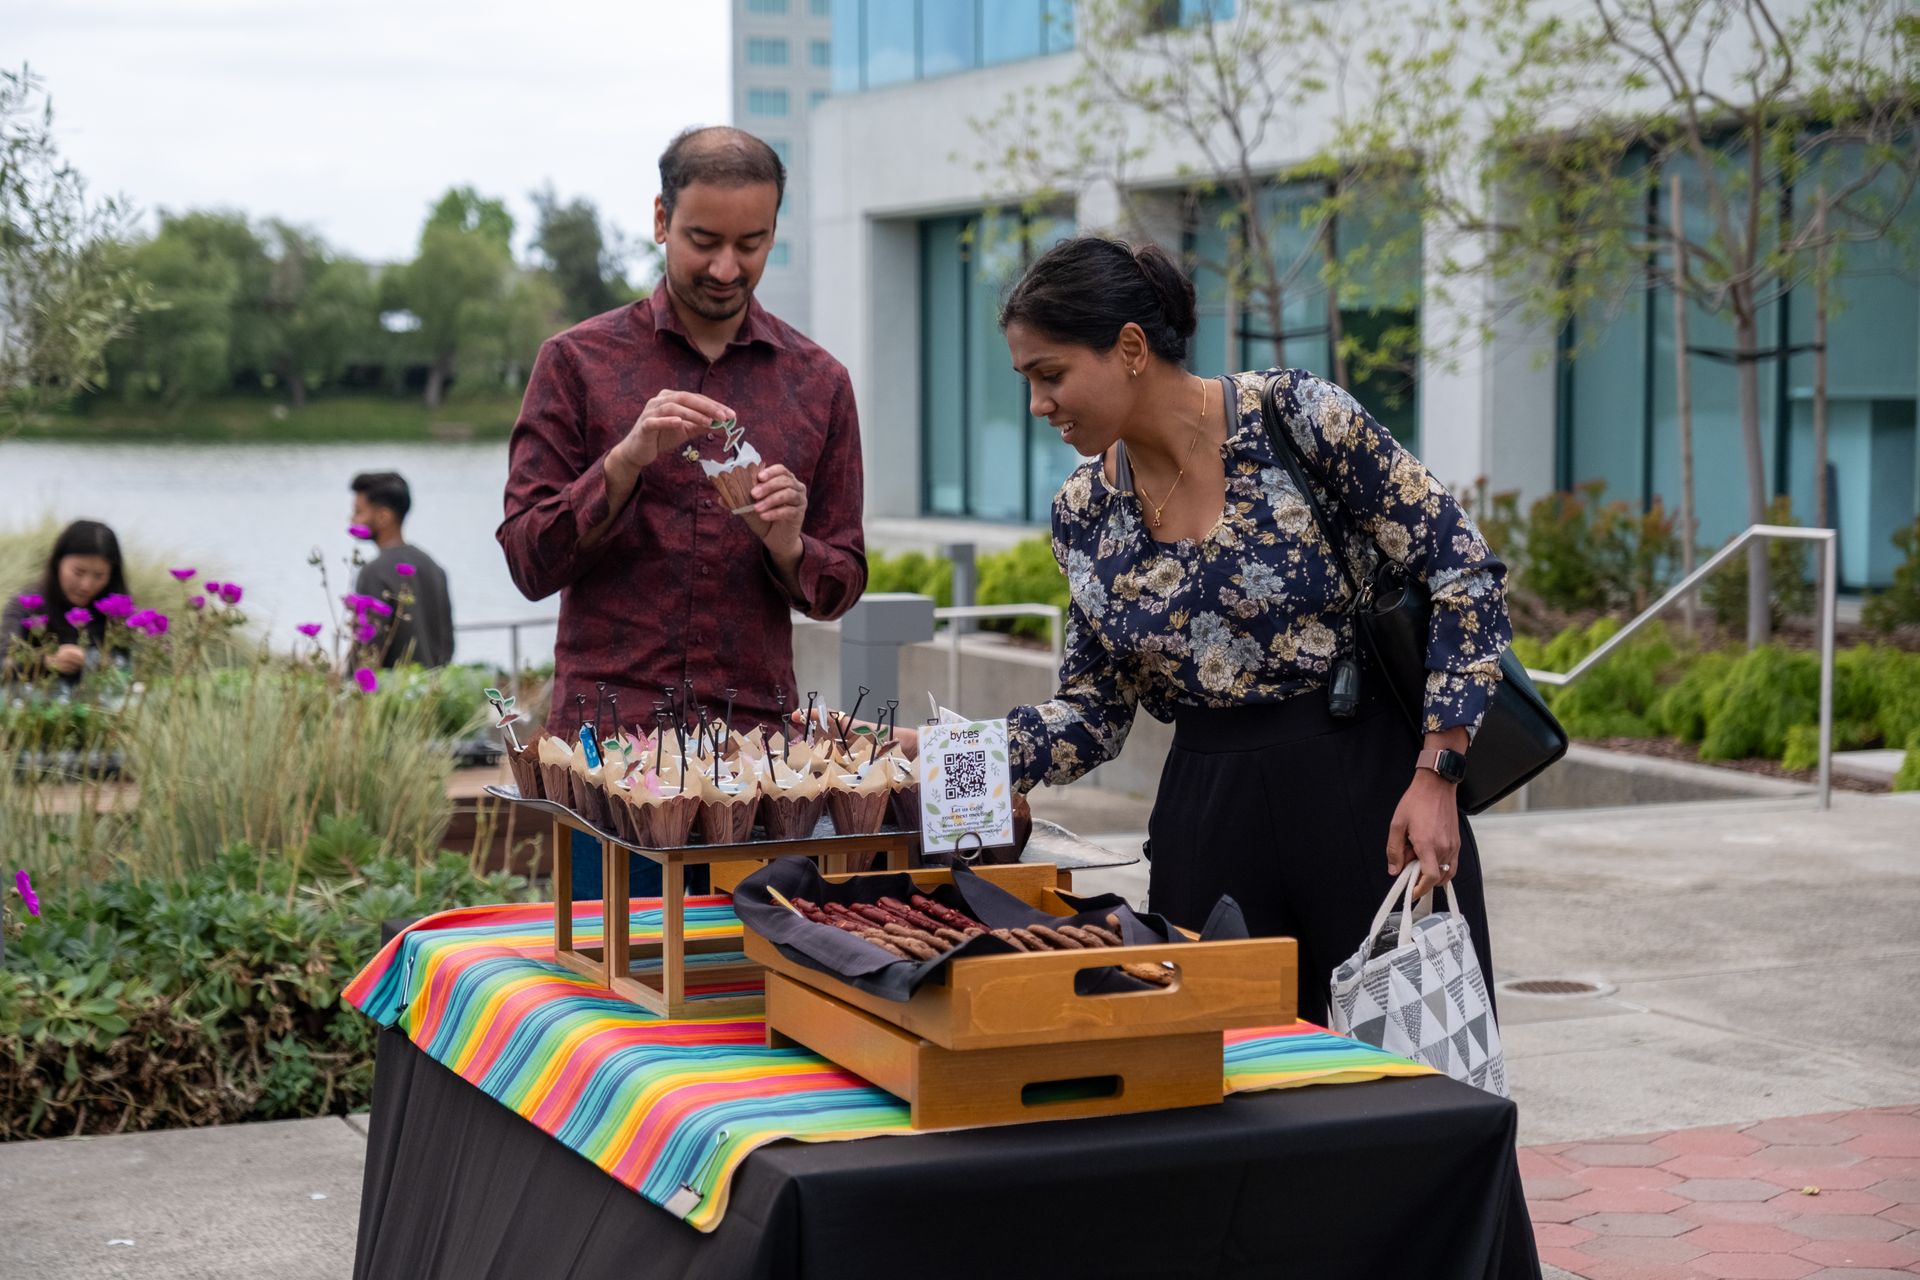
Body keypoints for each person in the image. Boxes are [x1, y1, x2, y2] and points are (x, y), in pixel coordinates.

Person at [876, 237, 1512, 1026]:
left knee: (1411, 1077)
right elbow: (1091, 717)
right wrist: (939, 757)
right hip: (1207, 817)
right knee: (1219, 1088)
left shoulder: (1298, 417)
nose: (1038, 403)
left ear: (1131, 349)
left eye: (1051, 374)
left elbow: (1463, 571)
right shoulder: (1084, 511)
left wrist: (1438, 774)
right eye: (1028, 380)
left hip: (1371, 793)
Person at [497, 125, 866, 897]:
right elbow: (529, 561)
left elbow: (839, 585)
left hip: (758, 766)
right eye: (703, 240)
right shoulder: (576, 364)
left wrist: (790, 546)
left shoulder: (820, 382)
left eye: (752, 243)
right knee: (608, 990)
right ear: (661, 219)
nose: (727, 268)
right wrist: (624, 462)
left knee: (749, 990)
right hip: (606, 758)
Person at [2, 519, 129, 690]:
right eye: (78, 572)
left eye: (99, 575)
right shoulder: (27, 604)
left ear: (112, 575)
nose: (86, 585)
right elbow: (3, 662)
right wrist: (46, 663)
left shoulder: (120, 616)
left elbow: (131, 670)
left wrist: (97, 662)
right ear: (58, 563)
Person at [351, 471, 455, 668]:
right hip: (433, 690)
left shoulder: (374, 572)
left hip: (393, 694)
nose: (352, 520)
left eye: (358, 512)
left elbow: (368, 652)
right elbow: (447, 642)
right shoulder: (434, 567)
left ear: (383, 517)